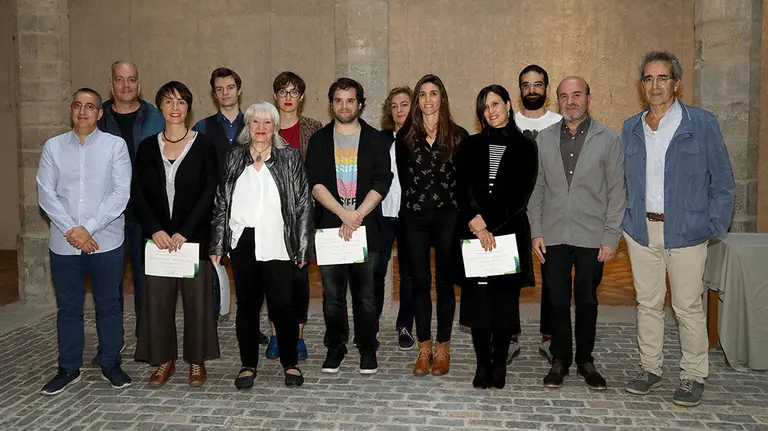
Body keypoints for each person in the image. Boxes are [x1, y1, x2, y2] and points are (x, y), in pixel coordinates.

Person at [622, 51, 735, 407]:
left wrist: (713, 224)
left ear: (676, 83)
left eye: (663, 78)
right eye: (649, 79)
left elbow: (723, 179)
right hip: (642, 231)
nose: (655, 86)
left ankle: (693, 375)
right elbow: (622, 180)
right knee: (648, 303)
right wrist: (626, 220)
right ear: (642, 85)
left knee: (687, 306)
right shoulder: (631, 127)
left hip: (686, 231)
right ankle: (650, 369)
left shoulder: (700, 123)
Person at [527, 76, 626, 390]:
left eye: (576, 95)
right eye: (564, 96)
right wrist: (536, 231)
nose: (570, 101)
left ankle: (585, 360)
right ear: (557, 100)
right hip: (552, 235)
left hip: (592, 237)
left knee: (586, 300)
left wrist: (611, 237)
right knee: (556, 300)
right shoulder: (543, 139)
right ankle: (560, 360)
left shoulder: (608, 139)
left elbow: (617, 191)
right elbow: (536, 189)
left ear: (588, 98)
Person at [210, 102, 313, 388]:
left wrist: (304, 247)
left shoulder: (290, 157)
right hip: (243, 241)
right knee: (247, 306)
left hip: (279, 240)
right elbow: (221, 202)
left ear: (275, 127)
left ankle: (290, 363)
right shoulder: (234, 157)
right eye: (256, 122)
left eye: (267, 122)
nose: (261, 127)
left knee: (283, 305)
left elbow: (303, 204)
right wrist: (217, 243)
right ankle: (247, 365)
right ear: (248, 125)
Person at [38, 88, 133, 395]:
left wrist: (88, 229)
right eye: (78, 105)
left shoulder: (115, 146)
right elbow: (46, 194)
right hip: (64, 243)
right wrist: (73, 231)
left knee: (109, 305)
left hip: (106, 241)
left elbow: (120, 194)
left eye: (90, 106)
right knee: (68, 308)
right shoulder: (53, 147)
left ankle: (110, 363)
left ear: (100, 113)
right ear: (71, 109)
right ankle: (68, 368)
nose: (83, 111)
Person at [132, 81, 221, 388]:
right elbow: (138, 193)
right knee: (157, 302)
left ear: (188, 107)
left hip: (192, 239)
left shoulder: (204, 146)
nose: (175, 107)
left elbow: (210, 191)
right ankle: (163, 360)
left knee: (198, 303)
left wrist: (185, 231)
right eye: (169, 101)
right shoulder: (147, 147)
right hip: (157, 240)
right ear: (160, 107)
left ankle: (196, 361)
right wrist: (154, 229)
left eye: (181, 101)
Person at [305, 77, 392, 375]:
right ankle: (335, 346)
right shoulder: (319, 140)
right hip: (330, 228)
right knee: (332, 296)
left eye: (350, 100)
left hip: (366, 228)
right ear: (331, 104)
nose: (344, 106)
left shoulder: (376, 140)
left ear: (360, 104)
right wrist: (343, 213)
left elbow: (383, 181)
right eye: (339, 100)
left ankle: (367, 348)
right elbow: (315, 183)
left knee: (366, 297)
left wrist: (357, 215)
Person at [455, 85, 537, 389]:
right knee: (477, 303)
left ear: (508, 105)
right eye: (485, 106)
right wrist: (476, 223)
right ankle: (482, 364)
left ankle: (500, 362)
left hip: (508, 232)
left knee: (503, 303)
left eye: (495, 104)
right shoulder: (469, 145)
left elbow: (521, 194)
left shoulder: (525, 146)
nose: (490, 111)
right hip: (473, 233)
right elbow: (461, 187)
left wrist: (490, 225)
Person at [395, 74, 468, 376]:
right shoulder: (405, 137)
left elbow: (463, 183)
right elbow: (404, 180)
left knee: (445, 284)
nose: (428, 99)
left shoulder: (458, 136)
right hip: (415, 218)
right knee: (420, 283)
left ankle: (443, 348)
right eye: (422, 94)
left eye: (433, 93)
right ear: (417, 101)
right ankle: (423, 348)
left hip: (449, 217)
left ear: (442, 98)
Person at [192, 68, 269, 344]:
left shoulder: (254, 124)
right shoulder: (202, 128)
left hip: (248, 212)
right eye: (219, 89)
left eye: (230, 87)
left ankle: (251, 327)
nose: (225, 93)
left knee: (249, 274)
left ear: (239, 90)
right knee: (211, 270)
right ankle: (208, 326)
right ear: (214, 94)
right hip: (213, 210)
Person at [96, 61, 164, 341]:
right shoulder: (97, 118)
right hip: (107, 214)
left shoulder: (156, 117)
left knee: (146, 279)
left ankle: (146, 339)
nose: (126, 85)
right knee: (109, 282)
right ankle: (113, 342)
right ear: (110, 84)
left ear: (139, 84)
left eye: (131, 79)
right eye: (120, 80)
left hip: (145, 213)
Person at [262, 71, 324, 361]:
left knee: (299, 278)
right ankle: (276, 334)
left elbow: (318, 171)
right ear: (275, 95)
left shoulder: (313, 128)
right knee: (274, 277)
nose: (288, 97)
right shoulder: (264, 125)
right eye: (283, 92)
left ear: (302, 97)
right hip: (268, 214)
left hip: (302, 214)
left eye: (294, 92)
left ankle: (297, 336)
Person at [511, 65, 562, 364]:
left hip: (551, 212)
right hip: (514, 212)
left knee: (553, 277)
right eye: (526, 85)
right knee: (509, 277)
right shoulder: (509, 122)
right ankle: (509, 335)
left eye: (538, 84)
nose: (532, 90)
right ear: (519, 90)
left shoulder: (560, 123)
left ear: (546, 89)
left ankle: (550, 336)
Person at [377, 86, 415, 350]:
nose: (399, 110)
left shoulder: (420, 138)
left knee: (408, 274)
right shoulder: (379, 139)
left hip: (410, 215)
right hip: (381, 213)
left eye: (404, 104)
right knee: (375, 271)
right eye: (394, 106)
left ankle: (405, 326)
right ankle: (371, 325)